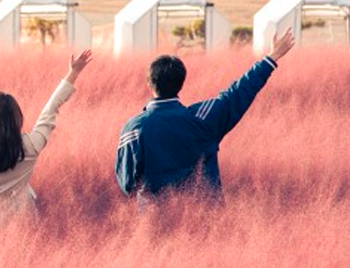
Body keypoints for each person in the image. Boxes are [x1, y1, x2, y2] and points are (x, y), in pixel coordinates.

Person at [116, 29, 295, 201]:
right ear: (181, 83)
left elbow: (127, 185)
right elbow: (238, 93)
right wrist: (271, 58)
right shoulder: (202, 119)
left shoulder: (134, 129)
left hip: (155, 217)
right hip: (206, 215)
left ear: (149, 83)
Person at [0, 50, 93, 223]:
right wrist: (73, 73)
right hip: (22, 223)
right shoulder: (30, 146)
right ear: (17, 118)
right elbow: (49, 111)